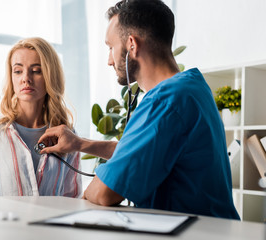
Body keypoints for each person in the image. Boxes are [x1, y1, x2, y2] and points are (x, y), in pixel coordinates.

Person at [38, 0, 240, 219]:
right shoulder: (192, 87)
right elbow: (147, 152)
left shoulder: (165, 101)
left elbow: (104, 193)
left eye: (110, 47)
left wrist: (90, 190)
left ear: (131, 45)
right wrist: (80, 144)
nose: (109, 60)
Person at [0, 37, 82, 197]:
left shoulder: (68, 137)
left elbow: (72, 200)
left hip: (51, 223)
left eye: (36, 71)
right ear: (11, 77)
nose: (26, 78)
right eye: (18, 71)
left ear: (51, 76)